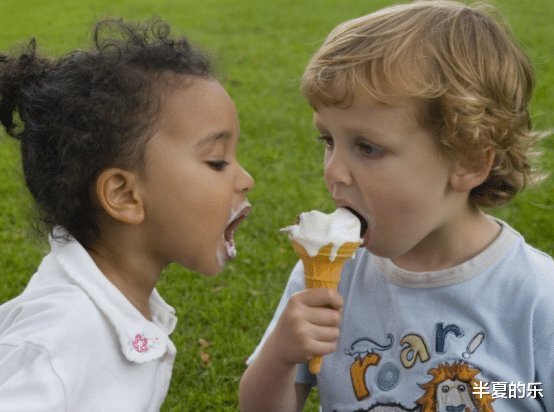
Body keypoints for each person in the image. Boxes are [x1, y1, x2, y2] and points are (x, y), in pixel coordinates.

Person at [239, 1, 553, 411]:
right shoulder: (333, 278)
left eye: (367, 147)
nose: (334, 171)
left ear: (469, 160)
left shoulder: (536, 296)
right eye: (328, 141)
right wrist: (280, 354)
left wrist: (493, 391)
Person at [0, 17, 254, 411]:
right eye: (217, 162)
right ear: (124, 195)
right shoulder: (58, 346)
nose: (246, 180)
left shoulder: (120, 304)